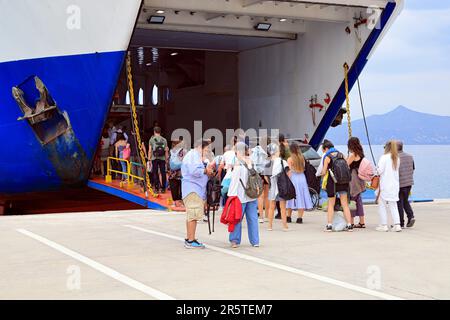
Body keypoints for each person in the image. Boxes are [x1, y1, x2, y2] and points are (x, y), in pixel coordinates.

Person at [181, 140, 214, 249]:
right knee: (193, 215)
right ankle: (191, 241)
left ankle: (190, 237)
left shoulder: (194, 156)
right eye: (206, 150)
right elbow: (194, 171)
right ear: (200, 147)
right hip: (193, 189)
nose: (206, 152)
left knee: (191, 215)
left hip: (194, 189)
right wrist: (206, 171)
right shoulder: (193, 155)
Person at [227, 142, 260, 248]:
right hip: (252, 194)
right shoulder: (251, 160)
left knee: (237, 218)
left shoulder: (237, 163)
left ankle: (234, 240)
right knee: (253, 218)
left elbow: (234, 181)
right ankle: (255, 241)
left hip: (239, 196)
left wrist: (231, 195)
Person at [321, 140, 353, 232]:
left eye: (323, 150)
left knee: (331, 204)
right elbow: (347, 167)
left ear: (326, 148)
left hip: (333, 183)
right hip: (343, 182)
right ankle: (349, 225)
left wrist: (321, 175)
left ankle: (329, 225)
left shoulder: (327, 157)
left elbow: (323, 172)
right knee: (345, 204)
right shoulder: (341, 155)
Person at [376, 140, 402, 232]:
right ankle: (397, 225)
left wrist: (376, 168)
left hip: (384, 185)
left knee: (382, 205)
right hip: (394, 185)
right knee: (393, 205)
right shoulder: (396, 158)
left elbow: (379, 171)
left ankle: (384, 225)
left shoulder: (384, 157)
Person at [286, 142, 313, 224]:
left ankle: (288, 217)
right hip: (301, 178)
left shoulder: (290, 159)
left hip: (293, 178)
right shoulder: (302, 158)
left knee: (291, 196)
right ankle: (299, 218)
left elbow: (289, 171)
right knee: (301, 196)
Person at [267, 143, 289, 231]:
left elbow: (266, 175)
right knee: (282, 207)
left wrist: (270, 182)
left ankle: (270, 226)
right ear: (276, 152)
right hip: (282, 186)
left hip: (272, 187)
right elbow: (288, 173)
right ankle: (285, 226)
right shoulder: (282, 162)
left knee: (271, 207)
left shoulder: (268, 163)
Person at [347, 137, 367, 228]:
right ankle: (362, 222)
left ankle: (351, 222)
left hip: (353, 178)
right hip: (360, 178)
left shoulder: (353, 154)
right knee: (358, 201)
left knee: (352, 200)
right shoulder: (361, 154)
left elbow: (346, 164)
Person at [397, 141, 416, 228]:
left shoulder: (395, 158)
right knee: (405, 201)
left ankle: (401, 223)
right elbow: (413, 168)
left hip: (400, 183)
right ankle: (411, 216)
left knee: (399, 203)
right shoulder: (410, 156)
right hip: (409, 182)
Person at [251, 142, 270, 224]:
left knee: (260, 196)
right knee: (267, 196)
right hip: (268, 173)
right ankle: (266, 216)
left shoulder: (256, 150)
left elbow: (253, 162)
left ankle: (261, 217)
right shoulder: (270, 150)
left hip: (259, 174)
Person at [148, 127, 169, 193]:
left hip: (154, 158)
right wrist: (166, 159)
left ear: (154, 131)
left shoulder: (151, 139)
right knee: (163, 173)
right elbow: (166, 150)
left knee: (155, 173)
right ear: (160, 132)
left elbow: (150, 150)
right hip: (162, 158)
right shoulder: (164, 140)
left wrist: (149, 159)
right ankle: (163, 188)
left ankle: (156, 188)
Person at [168, 139, 186, 208]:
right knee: (182, 188)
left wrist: (168, 171)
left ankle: (174, 202)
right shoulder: (184, 151)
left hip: (173, 173)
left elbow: (168, 161)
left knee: (174, 187)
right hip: (181, 172)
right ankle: (181, 203)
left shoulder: (171, 151)